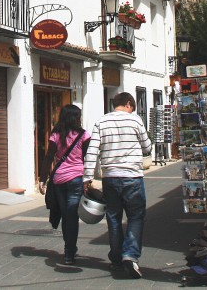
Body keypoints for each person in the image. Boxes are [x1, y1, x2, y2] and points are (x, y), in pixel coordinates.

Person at [83, 91, 152, 279]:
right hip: (133, 177)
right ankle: (129, 256)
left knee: (113, 218)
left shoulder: (101, 121)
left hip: (110, 177)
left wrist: (87, 177)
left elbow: (92, 151)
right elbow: (147, 147)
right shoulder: (136, 120)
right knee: (136, 217)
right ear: (129, 104)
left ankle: (115, 258)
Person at [38, 104, 91, 265]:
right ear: (76, 117)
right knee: (71, 216)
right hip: (76, 179)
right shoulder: (84, 135)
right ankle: (69, 252)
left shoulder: (56, 134)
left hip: (59, 180)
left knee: (65, 216)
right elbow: (88, 158)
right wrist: (88, 179)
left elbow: (48, 157)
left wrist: (42, 179)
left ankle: (69, 248)